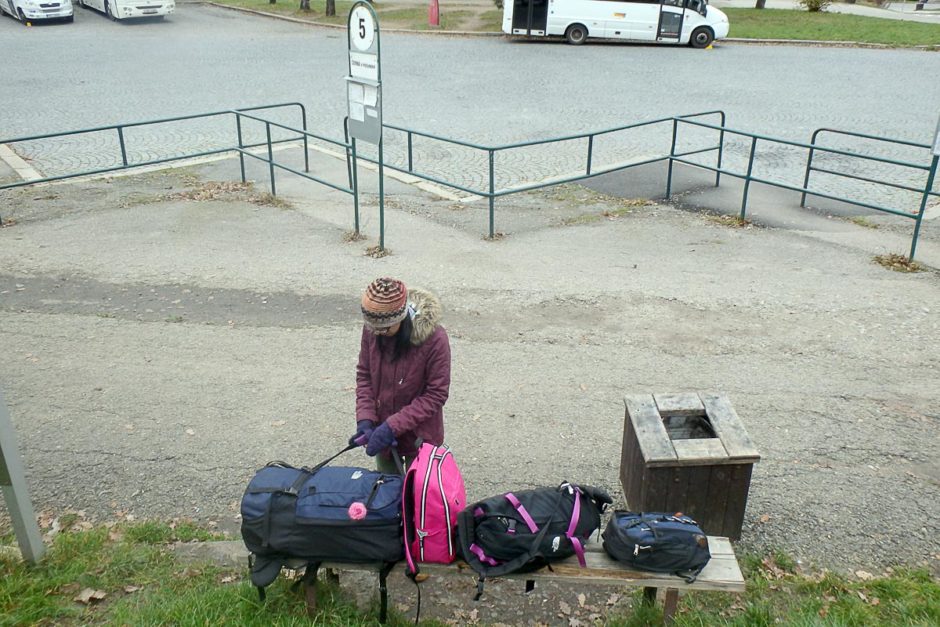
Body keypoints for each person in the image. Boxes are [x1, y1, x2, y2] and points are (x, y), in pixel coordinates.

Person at [350, 277, 451, 474]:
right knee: (386, 495)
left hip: (420, 437)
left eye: (385, 329)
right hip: (383, 437)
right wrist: (365, 419)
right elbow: (365, 375)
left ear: (401, 317)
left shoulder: (435, 339)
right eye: (372, 328)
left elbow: (436, 395)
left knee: (416, 499)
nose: (377, 333)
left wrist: (392, 426)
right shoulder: (374, 330)